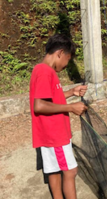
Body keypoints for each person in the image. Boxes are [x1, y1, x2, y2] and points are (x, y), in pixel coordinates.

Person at [29, 34, 88, 199]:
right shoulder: (44, 71)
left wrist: (72, 92)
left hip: (48, 133)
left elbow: (50, 97)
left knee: (54, 170)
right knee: (70, 171)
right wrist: (71, 107)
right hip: (56, 134)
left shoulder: (42, 70)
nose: (66, 64)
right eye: (68, 59)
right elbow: (39, 105)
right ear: (60, 53)